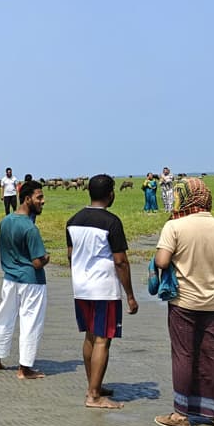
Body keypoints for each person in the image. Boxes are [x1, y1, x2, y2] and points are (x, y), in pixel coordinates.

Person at [153, 177, 214, 426]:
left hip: (183, 303)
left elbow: (162, 261)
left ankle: (180, 415)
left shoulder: (175, 226)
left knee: (183, 355)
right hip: (212, 304)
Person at [66, 174, 139, 410]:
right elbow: (120, 261)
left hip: (81, 288)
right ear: (110, 194)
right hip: (104, 289)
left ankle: (93, 384)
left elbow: (70, 255)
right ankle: (94, 396)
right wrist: (129, 294)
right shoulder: (111, 222)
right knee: (102, 340)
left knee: (89, 336)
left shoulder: (73, 220)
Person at [0, 181, 50, 380]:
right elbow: (37, 262)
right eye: (39, 197)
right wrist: (46, 258)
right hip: (31, 281)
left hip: (9, 279)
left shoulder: (5, 221)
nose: (43, 201)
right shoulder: (31, 229)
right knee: (30, 322)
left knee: (4, 319)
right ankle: (24, 368)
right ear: (27, 199)